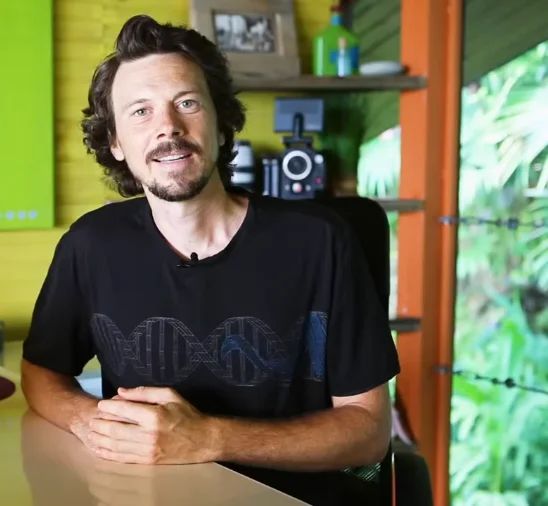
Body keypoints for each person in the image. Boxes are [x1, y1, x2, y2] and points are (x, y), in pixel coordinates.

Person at [20, 14, 400, 506]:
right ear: (115, 143)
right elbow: (41, 372)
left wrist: (209, 439)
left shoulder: (321, 242)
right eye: (140, 112)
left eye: (187, 102)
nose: (168, 128)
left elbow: (369, 430)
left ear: (221, 125)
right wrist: (87, 420)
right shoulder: (90, 245)